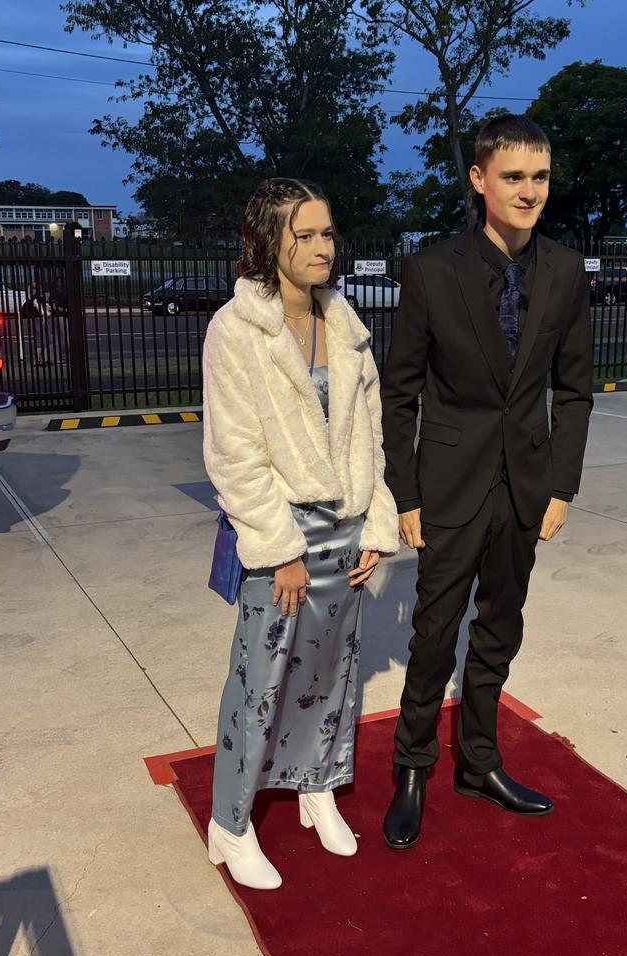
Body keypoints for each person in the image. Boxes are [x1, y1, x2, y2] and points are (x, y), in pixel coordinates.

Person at [380, 114, 593, 850]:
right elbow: (397, 389)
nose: (529, 190)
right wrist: (404, 494)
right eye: (514, 176)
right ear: (479, 180)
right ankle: (412, 768)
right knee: (435, 632)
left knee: (501, 627)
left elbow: (573, 391)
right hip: (448, 480)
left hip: (527, 482)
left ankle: (480, 763)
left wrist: (561, 484)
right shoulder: (432, 270)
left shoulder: (565, 271)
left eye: (539, 176)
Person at [202, 178, 399, 888]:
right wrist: (279, 549)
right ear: (268, 243)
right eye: (305, 235)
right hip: (281, 541)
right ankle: (229, 823)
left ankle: (316, 788)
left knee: (331, 672)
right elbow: (234, 453)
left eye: (327, 233)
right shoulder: (235, 330)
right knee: (260, 681)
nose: (323, 248)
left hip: (344, 531)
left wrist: (374, 521)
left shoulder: (343, 323)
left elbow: (367, 434)